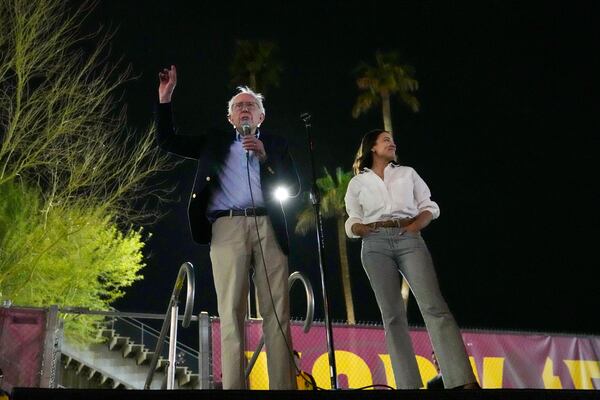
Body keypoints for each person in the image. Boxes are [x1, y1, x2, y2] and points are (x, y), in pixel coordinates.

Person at [155, 65, 299, 390]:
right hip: (227, 227)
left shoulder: (275, 144)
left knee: (277, 312)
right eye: (238, 106)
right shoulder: (213, 141)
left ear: (261, 117)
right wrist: (165, 100)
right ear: (230, 117)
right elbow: (166, 141)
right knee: (230, 313)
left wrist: (266, 159)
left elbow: (294, 188)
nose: (244, 109)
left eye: (250, 105)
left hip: (268, 226)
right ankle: (234, 387)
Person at [344, 129, 479, 389]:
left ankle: (462, 380)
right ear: (372, 147)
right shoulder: (357, 183)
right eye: (386, 140)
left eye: (392, 140)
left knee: (434, 306)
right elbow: (352, 218)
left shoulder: (407, 173)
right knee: (392, 316)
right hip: (374, 243)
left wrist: (416, 226)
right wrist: (361, 229)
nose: (392, 143)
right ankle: (408, 385)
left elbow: (428, 205)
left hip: (409, 237)